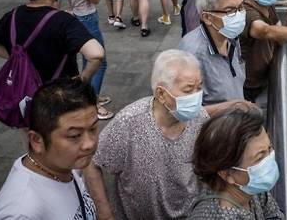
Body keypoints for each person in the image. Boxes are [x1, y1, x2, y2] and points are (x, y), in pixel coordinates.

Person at [83, 50, 246, 220]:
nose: (197, 96)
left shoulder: (199, 118)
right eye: (188, 90)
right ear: (161, 94)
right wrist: (104, 212)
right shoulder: (129, 122)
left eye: (199, 87)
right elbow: (92, 161)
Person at [0, 78, 99, 220]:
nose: (89, 143)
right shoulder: (19, 213)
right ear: (36, 140)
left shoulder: (64, 165)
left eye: (93, 128)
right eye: (75, 135)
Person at [189, 106, 284, 219]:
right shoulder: (222, 215)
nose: (269, 159)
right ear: (226, 173)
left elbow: (273, 214)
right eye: (260, 157)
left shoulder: (249, 188)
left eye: (269, 148)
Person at [61, 0, 114, 120]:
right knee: (100, 61)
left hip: (79, 17)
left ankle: (90, 96)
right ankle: (93, 103)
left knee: (88, 60)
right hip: (87, 20)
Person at [178, 0, 246, 104]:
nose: (239, 15)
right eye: (230, 11)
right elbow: (185, 111)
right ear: (207, 17)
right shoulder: (192, 55)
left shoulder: (230, 37)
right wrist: (233, 108)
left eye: (241, 7)